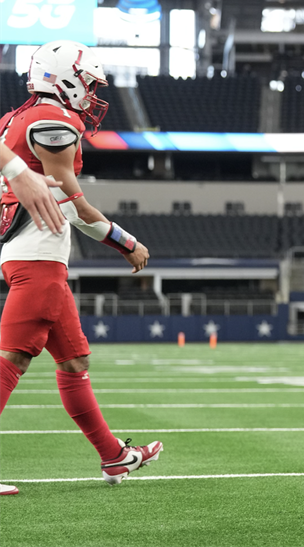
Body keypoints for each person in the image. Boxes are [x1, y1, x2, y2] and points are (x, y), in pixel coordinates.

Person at [0, 40, 162, 495]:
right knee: (11, 359)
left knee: (74, 361)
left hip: (26, 254)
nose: (91, 95)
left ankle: (114, 457)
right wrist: (126, 242)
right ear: (63, 77)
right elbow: (73, 207)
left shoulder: (16, 117)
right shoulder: (54, 121)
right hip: (38, 255)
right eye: (89, 84)